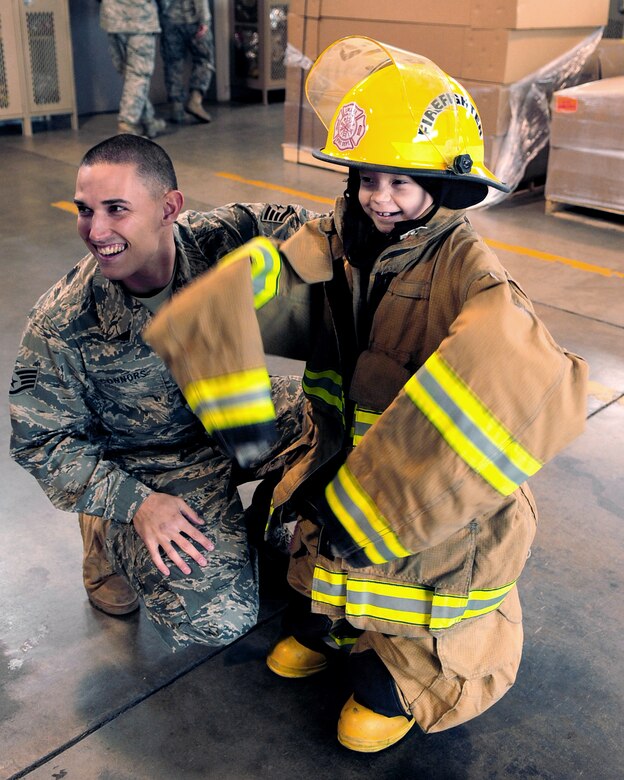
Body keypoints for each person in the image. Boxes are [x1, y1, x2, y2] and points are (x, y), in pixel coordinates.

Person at [144, 37, 589, 750]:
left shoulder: (473, 279)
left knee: (374, 700)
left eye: (401, 184)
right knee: (310, 614)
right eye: (367, 179)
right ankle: (336, 620)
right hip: (345, 488)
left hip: (425, 526)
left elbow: (504, 387)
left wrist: (368, 513)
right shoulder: (342, 241)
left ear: (443, 188)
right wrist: (233, 373)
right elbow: (269, 284)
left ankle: (406, 665)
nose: (380, 199)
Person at [9, 133, 317, 650]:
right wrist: (135, 503)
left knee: (338, 417)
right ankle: (104, 532)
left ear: (168, 207)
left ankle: (270, 513)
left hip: (231, 417)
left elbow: (317, 230)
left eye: (116, 209)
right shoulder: (62, 321)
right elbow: (43, 442)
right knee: (221, 618)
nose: (96, 230)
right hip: (152, 465)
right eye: (85, 210)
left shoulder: (218, 238)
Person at [99, 0, 167, 138]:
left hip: (112, 17)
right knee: (138, 75)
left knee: (130, 74)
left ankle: (147, 120)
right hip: (141, 18)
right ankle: (127, 124)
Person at [157, 0, 215, 124]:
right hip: (193, 19)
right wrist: (204, 20)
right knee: (204, 59)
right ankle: (195, 99)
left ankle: (176, 107)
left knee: (172, 64)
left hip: (169, 20)